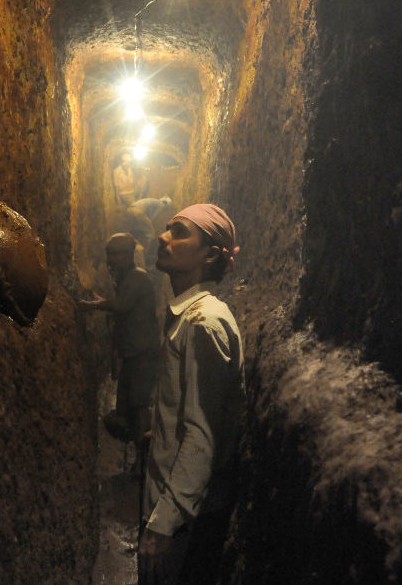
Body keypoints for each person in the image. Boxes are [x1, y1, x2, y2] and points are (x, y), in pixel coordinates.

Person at [138, 203, 244, 585]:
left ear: (211, 254)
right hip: (173, 509)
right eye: (167, 229)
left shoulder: (204, 322)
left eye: (179, 231)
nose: (163, 238)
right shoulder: (187, 315)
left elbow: (203, 435)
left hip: (181, 520)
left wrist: (162, 524)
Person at [79, 233, 159, 460]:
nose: (110, 260)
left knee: (137, 404)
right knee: (129, 406)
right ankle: (137, 454)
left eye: (115, 254)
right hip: (134, 354)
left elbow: (121, 306)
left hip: (142, 355)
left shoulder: (136, 277)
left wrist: (93, 305)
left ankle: (144, 456)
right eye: (109, 254)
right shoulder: (128, 278)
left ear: (127, 255)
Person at [126, 197, 173, 263]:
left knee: (135, 233)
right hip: (139, 212)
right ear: (167, 205)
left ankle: (131, 254)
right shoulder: (161, 205)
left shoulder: (154, 201)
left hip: (130, 210)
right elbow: (152, 217)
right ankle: (144, 256)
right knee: (151, 234)